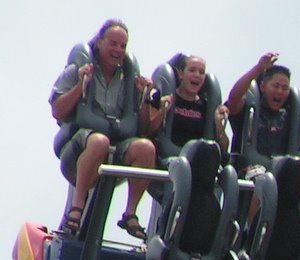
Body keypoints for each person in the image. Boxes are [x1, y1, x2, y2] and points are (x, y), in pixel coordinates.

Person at [50, 19, 157, 238]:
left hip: (115, 152)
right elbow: (57, 111)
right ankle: (77, 207)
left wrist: (144, 98)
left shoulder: (129, 78)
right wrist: (81, 84)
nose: (118, 50)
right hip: (79, 147)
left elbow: (144, 129)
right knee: (100, 141)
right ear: (99, 43)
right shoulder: (78, 69)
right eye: (113, 44)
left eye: (123, 46)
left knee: (146, 148)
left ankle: (130, 213)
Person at [225, 51, 300, 177]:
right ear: (263, 86)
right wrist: (258, 68)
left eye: (285, 88)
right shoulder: (248, 112)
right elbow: (234, 98)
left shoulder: (290, 116)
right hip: (249, 172)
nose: (280, 91)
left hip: (282, 174)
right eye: (276, 86)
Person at [143, 53, 229, 158]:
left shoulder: (206, 107)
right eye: (192, 70)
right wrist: (162, 111)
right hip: (168, 159)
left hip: (197, 161)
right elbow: (147, 131)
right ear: (180, 74)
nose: (197, 75)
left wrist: (219, 124)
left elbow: (224, 148)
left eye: (201, 72)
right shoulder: (164, 98)